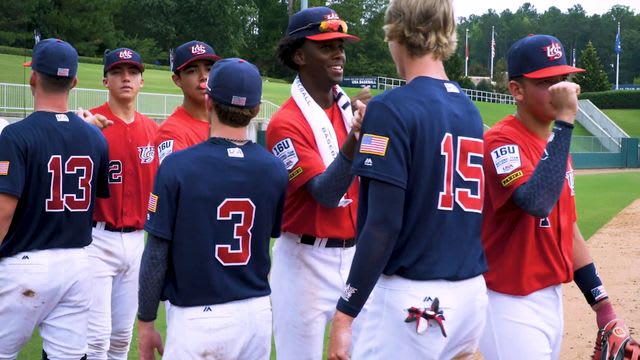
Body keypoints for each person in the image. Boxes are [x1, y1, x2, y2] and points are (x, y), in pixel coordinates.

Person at [328, 0, 489, 358]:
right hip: (470, 297)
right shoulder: (468, 109)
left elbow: (382, 226)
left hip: (413, 303)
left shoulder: (390, 107)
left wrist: (344, 314)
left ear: (396, 32)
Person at [479, 34, 625, 359]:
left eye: (563, 78)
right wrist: (565, 122)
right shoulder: (501, 141)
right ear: (516, 90)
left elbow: (568, 230)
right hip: (508, 300)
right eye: (548, 81)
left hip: (550, 298)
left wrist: (603, 307)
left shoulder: (556, 142)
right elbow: (536, 202)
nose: (562, 89)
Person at [136, 58, 288, 360]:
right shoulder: (275, 169)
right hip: (255, 312)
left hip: (198, 316)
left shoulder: (178, 166)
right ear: (256, 109)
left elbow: (156, 254)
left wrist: (146, 321)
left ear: (208, 102)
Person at [265, 6, 367, 359]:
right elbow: (325, 192)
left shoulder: (348, 110)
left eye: (340, 44)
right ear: (299, 55)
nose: (338, 53)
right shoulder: (285, 123)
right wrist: (357, 139)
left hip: (355, 255)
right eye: (325, 46)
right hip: (304, 261)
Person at [0, 38, 109, 359]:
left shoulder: (15, 135)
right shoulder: (95, 136)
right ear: (74, 81)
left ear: (34, 77)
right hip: (77, 264)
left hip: (26, 263)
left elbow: (4, 212)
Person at [86, 47, 159, 360]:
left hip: (136, 241)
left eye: (132, 72)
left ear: (142, 81)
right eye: (117, 71)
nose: (126, 77)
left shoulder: (153, 130)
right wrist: (82, 132)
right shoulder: (90, 123)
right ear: (105, 80)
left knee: (121, 337)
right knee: (96, 337)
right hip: (96, 239)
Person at [155, 40, 221, 163]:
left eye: (209, 69)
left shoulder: (227, 124)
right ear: (177, 80)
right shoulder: (170, 132)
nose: (203, 76)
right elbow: (177, 179)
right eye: (192, 71)